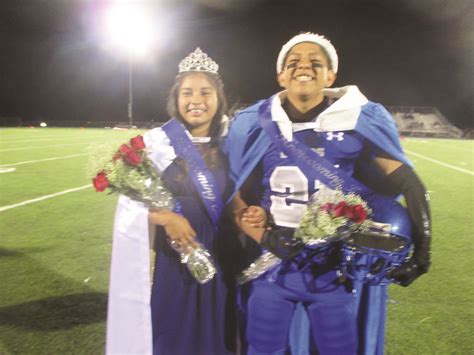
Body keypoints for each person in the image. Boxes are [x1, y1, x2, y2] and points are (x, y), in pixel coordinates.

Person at [225, 33, 431, 354]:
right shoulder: (255, 123)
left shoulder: (355, 120)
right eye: (293, 62)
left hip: (332, 270)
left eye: (314, 62)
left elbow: (409, 183)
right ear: (281, 76)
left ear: (330, 76)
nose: (303, 67)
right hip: (273, 265)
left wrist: (423, 252)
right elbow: (234, 194)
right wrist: (264, 236)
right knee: (263, 347)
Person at [106, 48, 261, 355]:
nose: (196, 101)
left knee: (220, 332)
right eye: (187, 93)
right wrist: (166, 218)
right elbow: (130, 204)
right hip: (175, 256)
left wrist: (247, 213)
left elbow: (238, 197)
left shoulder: (234, 142)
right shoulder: (156, 143)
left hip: (222, 252)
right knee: (174, 331)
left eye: (206, 93)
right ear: (176, 99)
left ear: (218, 100)